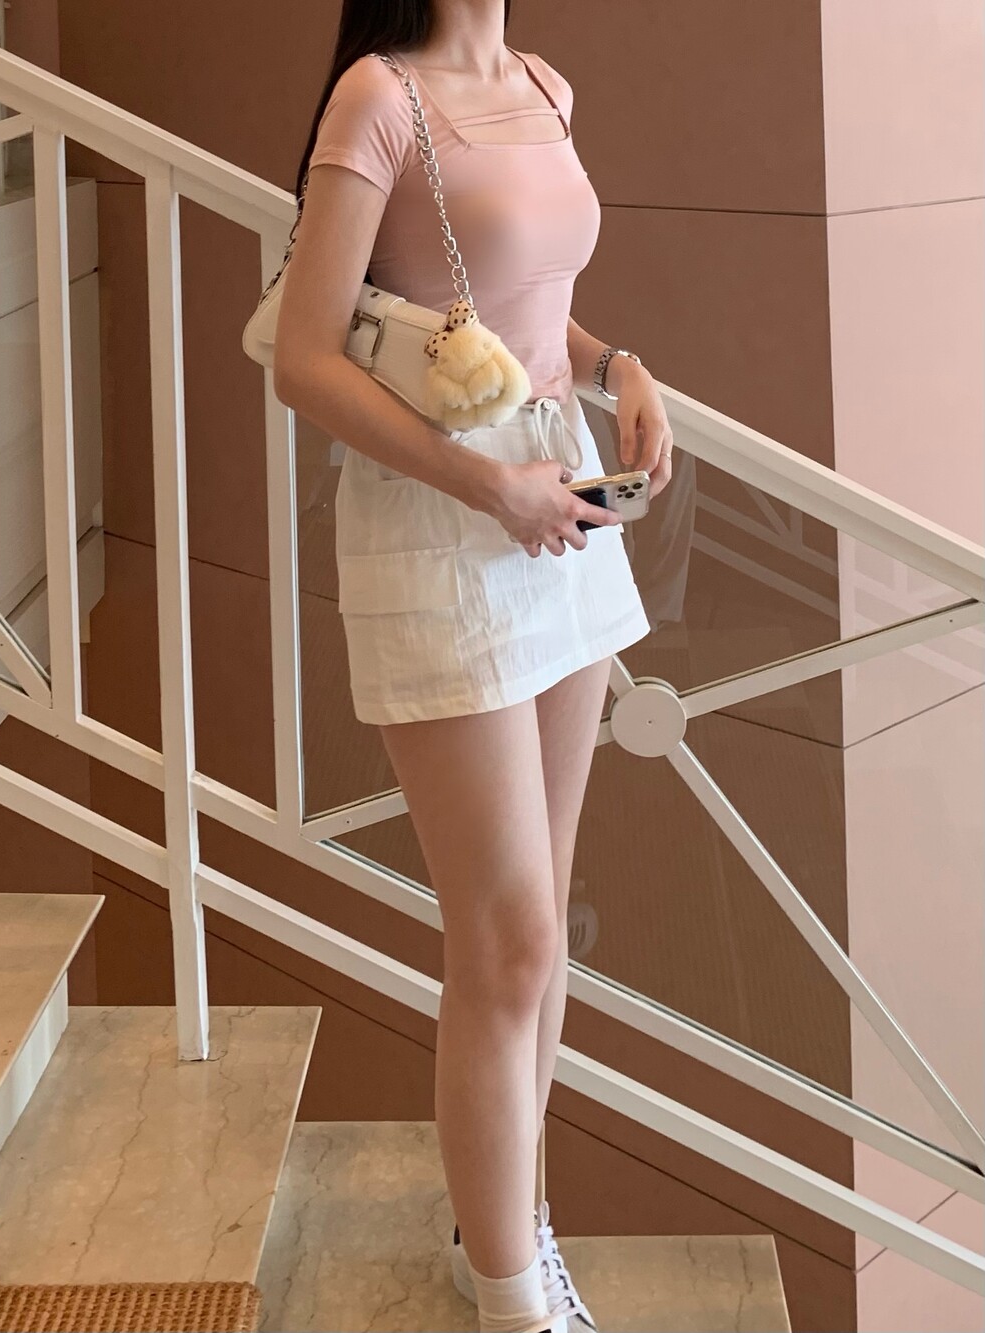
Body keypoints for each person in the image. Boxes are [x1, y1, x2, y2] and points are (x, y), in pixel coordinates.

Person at [273, 3, 674, 1330]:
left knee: (538, 932)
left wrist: (620, 368)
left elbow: (521, 314)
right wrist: (487, 486)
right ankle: (514, 1301)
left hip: (561, 507)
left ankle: (500, 1236)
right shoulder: (378, 100)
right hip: (445, 525)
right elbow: (304, 358)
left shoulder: (545, 85)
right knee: (507, 940)